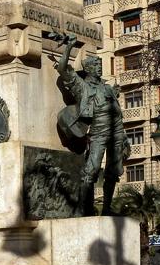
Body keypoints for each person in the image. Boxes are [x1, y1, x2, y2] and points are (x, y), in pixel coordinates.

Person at [52, 35, 130, 215]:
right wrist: (69, 47)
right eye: (96, 65)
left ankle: (107, 209)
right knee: (92, 169)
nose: (99, 67)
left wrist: (124, 135)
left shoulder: (107, 87)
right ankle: (82, 210)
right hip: (99, 130)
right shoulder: (82, 86)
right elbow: (63, 68)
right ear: (87, 68)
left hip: (117, 129)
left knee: (114, 171)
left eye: (100, 65)